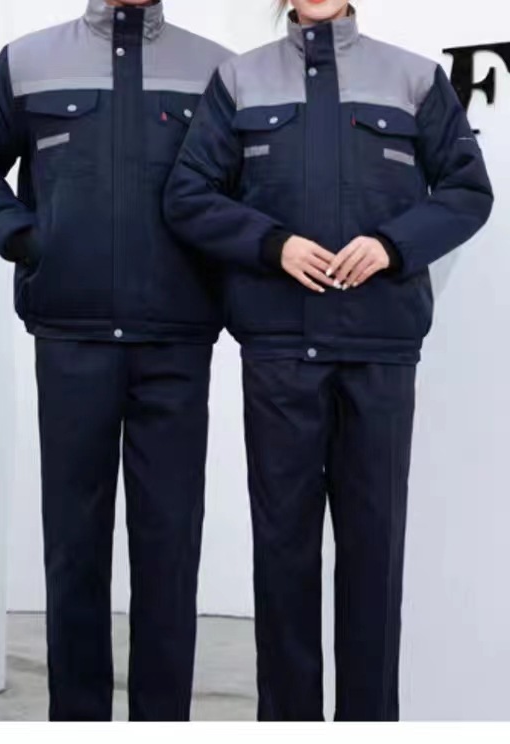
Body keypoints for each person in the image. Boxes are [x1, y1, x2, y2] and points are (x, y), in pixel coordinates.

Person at [164, 0, 493, 721]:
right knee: (282, 552)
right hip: (280, 351)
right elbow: (188, 195)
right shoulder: (241, 80)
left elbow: (468, 191)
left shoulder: (413, 78)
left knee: (374, 554)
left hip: (380, 349)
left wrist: (394, 245)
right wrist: (272, 244)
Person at [0, 0, 231, 721]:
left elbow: (244, 190)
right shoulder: (29, 60)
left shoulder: (217, 69)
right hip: (72, 335)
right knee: (74, 547)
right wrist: (28, 239)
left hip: (177, 336)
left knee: (170, 547)